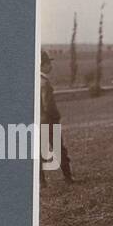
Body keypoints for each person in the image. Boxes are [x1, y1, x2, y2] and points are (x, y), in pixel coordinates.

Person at [39, 50, 72, 186]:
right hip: (49, 121)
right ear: (42, 65)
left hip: (37, 122)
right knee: (59, 149)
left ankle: (41, 182)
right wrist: (57, 116)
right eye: (48, 63)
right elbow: (48, 105)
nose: (50, 66)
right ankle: (68, 178)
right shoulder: (44, 83)